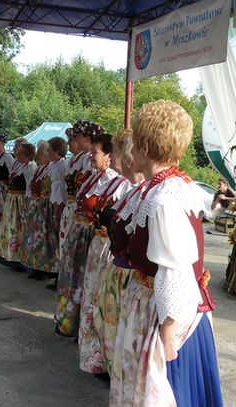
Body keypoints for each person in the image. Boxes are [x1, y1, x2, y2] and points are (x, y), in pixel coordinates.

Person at [110, 100, 223, 406]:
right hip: (162, 309)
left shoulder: (164, 199)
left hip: (170, 319)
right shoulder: (167, 187)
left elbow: (175, 271)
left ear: (145, 147)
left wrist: (168, 337)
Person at [93, 130, 146, 375]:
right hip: (118, 272)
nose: (113, 157)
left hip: (129, 277)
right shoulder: (133, 190)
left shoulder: (145, 193)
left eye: (116, 151)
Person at [55, 132, 117, 338]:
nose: (91, 156)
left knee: (86, 284)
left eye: (95, 153)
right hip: (79, 236)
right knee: (73, 280)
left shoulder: (113, 182)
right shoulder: (94, 177)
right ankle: (69, 321)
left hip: (91, 237)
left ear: (109, 156)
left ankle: (82, 326)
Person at [78, 130, 130, 375]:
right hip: (98, 246)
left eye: (95, 153)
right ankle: (93, 352)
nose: (91, 157)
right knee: (93, 297)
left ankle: (103, 355)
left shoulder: (124, 186)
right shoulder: (108, 182)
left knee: (104, 302)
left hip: (111, 252)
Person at [19, 137, 68, 280]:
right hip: (39, 206)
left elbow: (59, 191)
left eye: (43, 153)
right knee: (37, 238)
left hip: (48, 206)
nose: (40, 156)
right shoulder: (43, 168)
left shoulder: (59, 166)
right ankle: (37, 266)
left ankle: (48, 269)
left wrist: (55, 214)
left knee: (47, 239)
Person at [0, 143, 36, 263]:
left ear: (27, 155)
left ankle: (18, 257)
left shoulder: (30, 166)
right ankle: (8, 254)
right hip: (12, 199)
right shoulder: (18, 165)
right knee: (10, 227)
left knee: (17, 228)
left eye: (20, 153)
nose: (17, 155)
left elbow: (30, 187)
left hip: (20, 200)